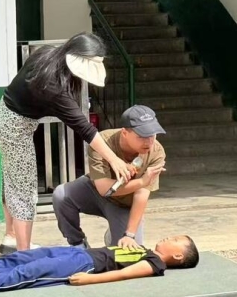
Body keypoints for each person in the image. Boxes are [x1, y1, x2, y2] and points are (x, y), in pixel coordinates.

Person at [0, 33, 134, 255]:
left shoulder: (46, 54)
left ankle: (11, 238)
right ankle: (23, 253)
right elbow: (85, 129)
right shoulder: (53, 86)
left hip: (5, 117)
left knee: (12, 181)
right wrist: (114, 159)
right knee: (24, 189)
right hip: (15, 127)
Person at [0, 235, 199, 297]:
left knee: (31, 272)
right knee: (24, 258)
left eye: (176, 240)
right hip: (79, 252)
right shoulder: (146, 250)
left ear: (177, 256)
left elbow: (124, 273)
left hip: (87, 264)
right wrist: (128, 239)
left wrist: (90, 280)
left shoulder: (155, 263)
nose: (169, 237)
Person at [52, 105, 166, 250]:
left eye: (153, 135)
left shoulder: (156, 152)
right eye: (142, 136)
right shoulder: (102, 142)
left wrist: (129, 235)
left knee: (127, 253)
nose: (149, 142)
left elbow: (141, 195)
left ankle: (113, 235)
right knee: (61, 194)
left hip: (125, 205)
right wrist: (142, 181)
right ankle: (77, 244)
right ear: (124, 133)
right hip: (96, 191)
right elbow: (104, 189)